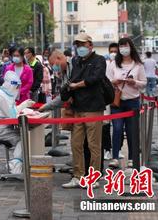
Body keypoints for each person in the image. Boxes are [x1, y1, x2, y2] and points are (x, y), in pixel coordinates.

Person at [61, 33, 106, 189]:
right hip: (78, 109)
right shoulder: (75, 61)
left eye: (83, 44)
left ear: (90, 45)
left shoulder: (99, 60)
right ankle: (78, 175)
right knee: (76, 144)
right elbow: (72, 79)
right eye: (77, 45)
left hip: (94, 108)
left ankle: (93, 178)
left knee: (94, 145)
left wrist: (77, 85)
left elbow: (96, 78)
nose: (80, 48)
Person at [0, 71, 34, 174]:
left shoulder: (4, 94)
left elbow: (12, 111)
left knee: (24, 137)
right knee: (23, 138)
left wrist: (23, 106)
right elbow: (12, 115)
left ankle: (17, 164)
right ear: (11, 85)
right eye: (16, 87)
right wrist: (24, 105)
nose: (17, 90)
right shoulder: (1, 96)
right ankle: (14, 167)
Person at [106, 37, 146, 168]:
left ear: (131, 47)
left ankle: (132, 158)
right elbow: (106, 81)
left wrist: (134, 82)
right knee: (117, 129)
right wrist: (114, 82)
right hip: (117, 101)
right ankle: (115, 157)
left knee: (131, 131)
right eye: (121, 46)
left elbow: (144, 83)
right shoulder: (113, 64)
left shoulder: (138, 65)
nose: (123, 49)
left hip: (133, 102)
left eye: (126, 46)